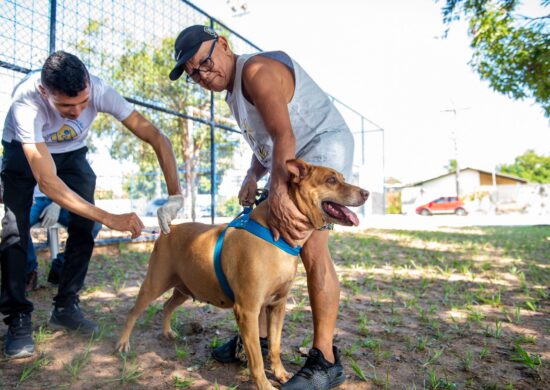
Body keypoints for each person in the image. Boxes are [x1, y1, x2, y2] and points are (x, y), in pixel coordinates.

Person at [169, 25, 354, 389]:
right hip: (291, 157)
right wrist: (253, 174)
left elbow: (285, 135)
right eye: (193, 74)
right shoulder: (232, 93)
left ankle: (326, 361)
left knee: (311, 247)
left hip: (319, 149)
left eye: (204, 63)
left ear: (222, 44)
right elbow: (268, 142)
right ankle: (258, 337)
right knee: (263, 240)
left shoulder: (254, 71)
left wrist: (281, 194)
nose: (203, 75)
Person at [1, 51, 184, 359]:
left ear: (88, 85)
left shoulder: (99, 90)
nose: (76, 111)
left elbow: (155, 136)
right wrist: (111, 217)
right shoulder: (26, 103)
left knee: (87, 223)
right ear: (46, 92)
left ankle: (66, 306)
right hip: (24, 152)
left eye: (83, 102)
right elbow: (47, 182)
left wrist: (175, 194)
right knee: (14, 230)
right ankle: (18, 317)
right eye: (65, 105)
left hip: (72, 153)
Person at [25, 187, 103, 291]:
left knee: (93, 224)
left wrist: (57, 204)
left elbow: (70, 178)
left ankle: (60, 269)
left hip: (60, 198)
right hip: (30, 198)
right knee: (16, 225)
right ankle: (29, 272)